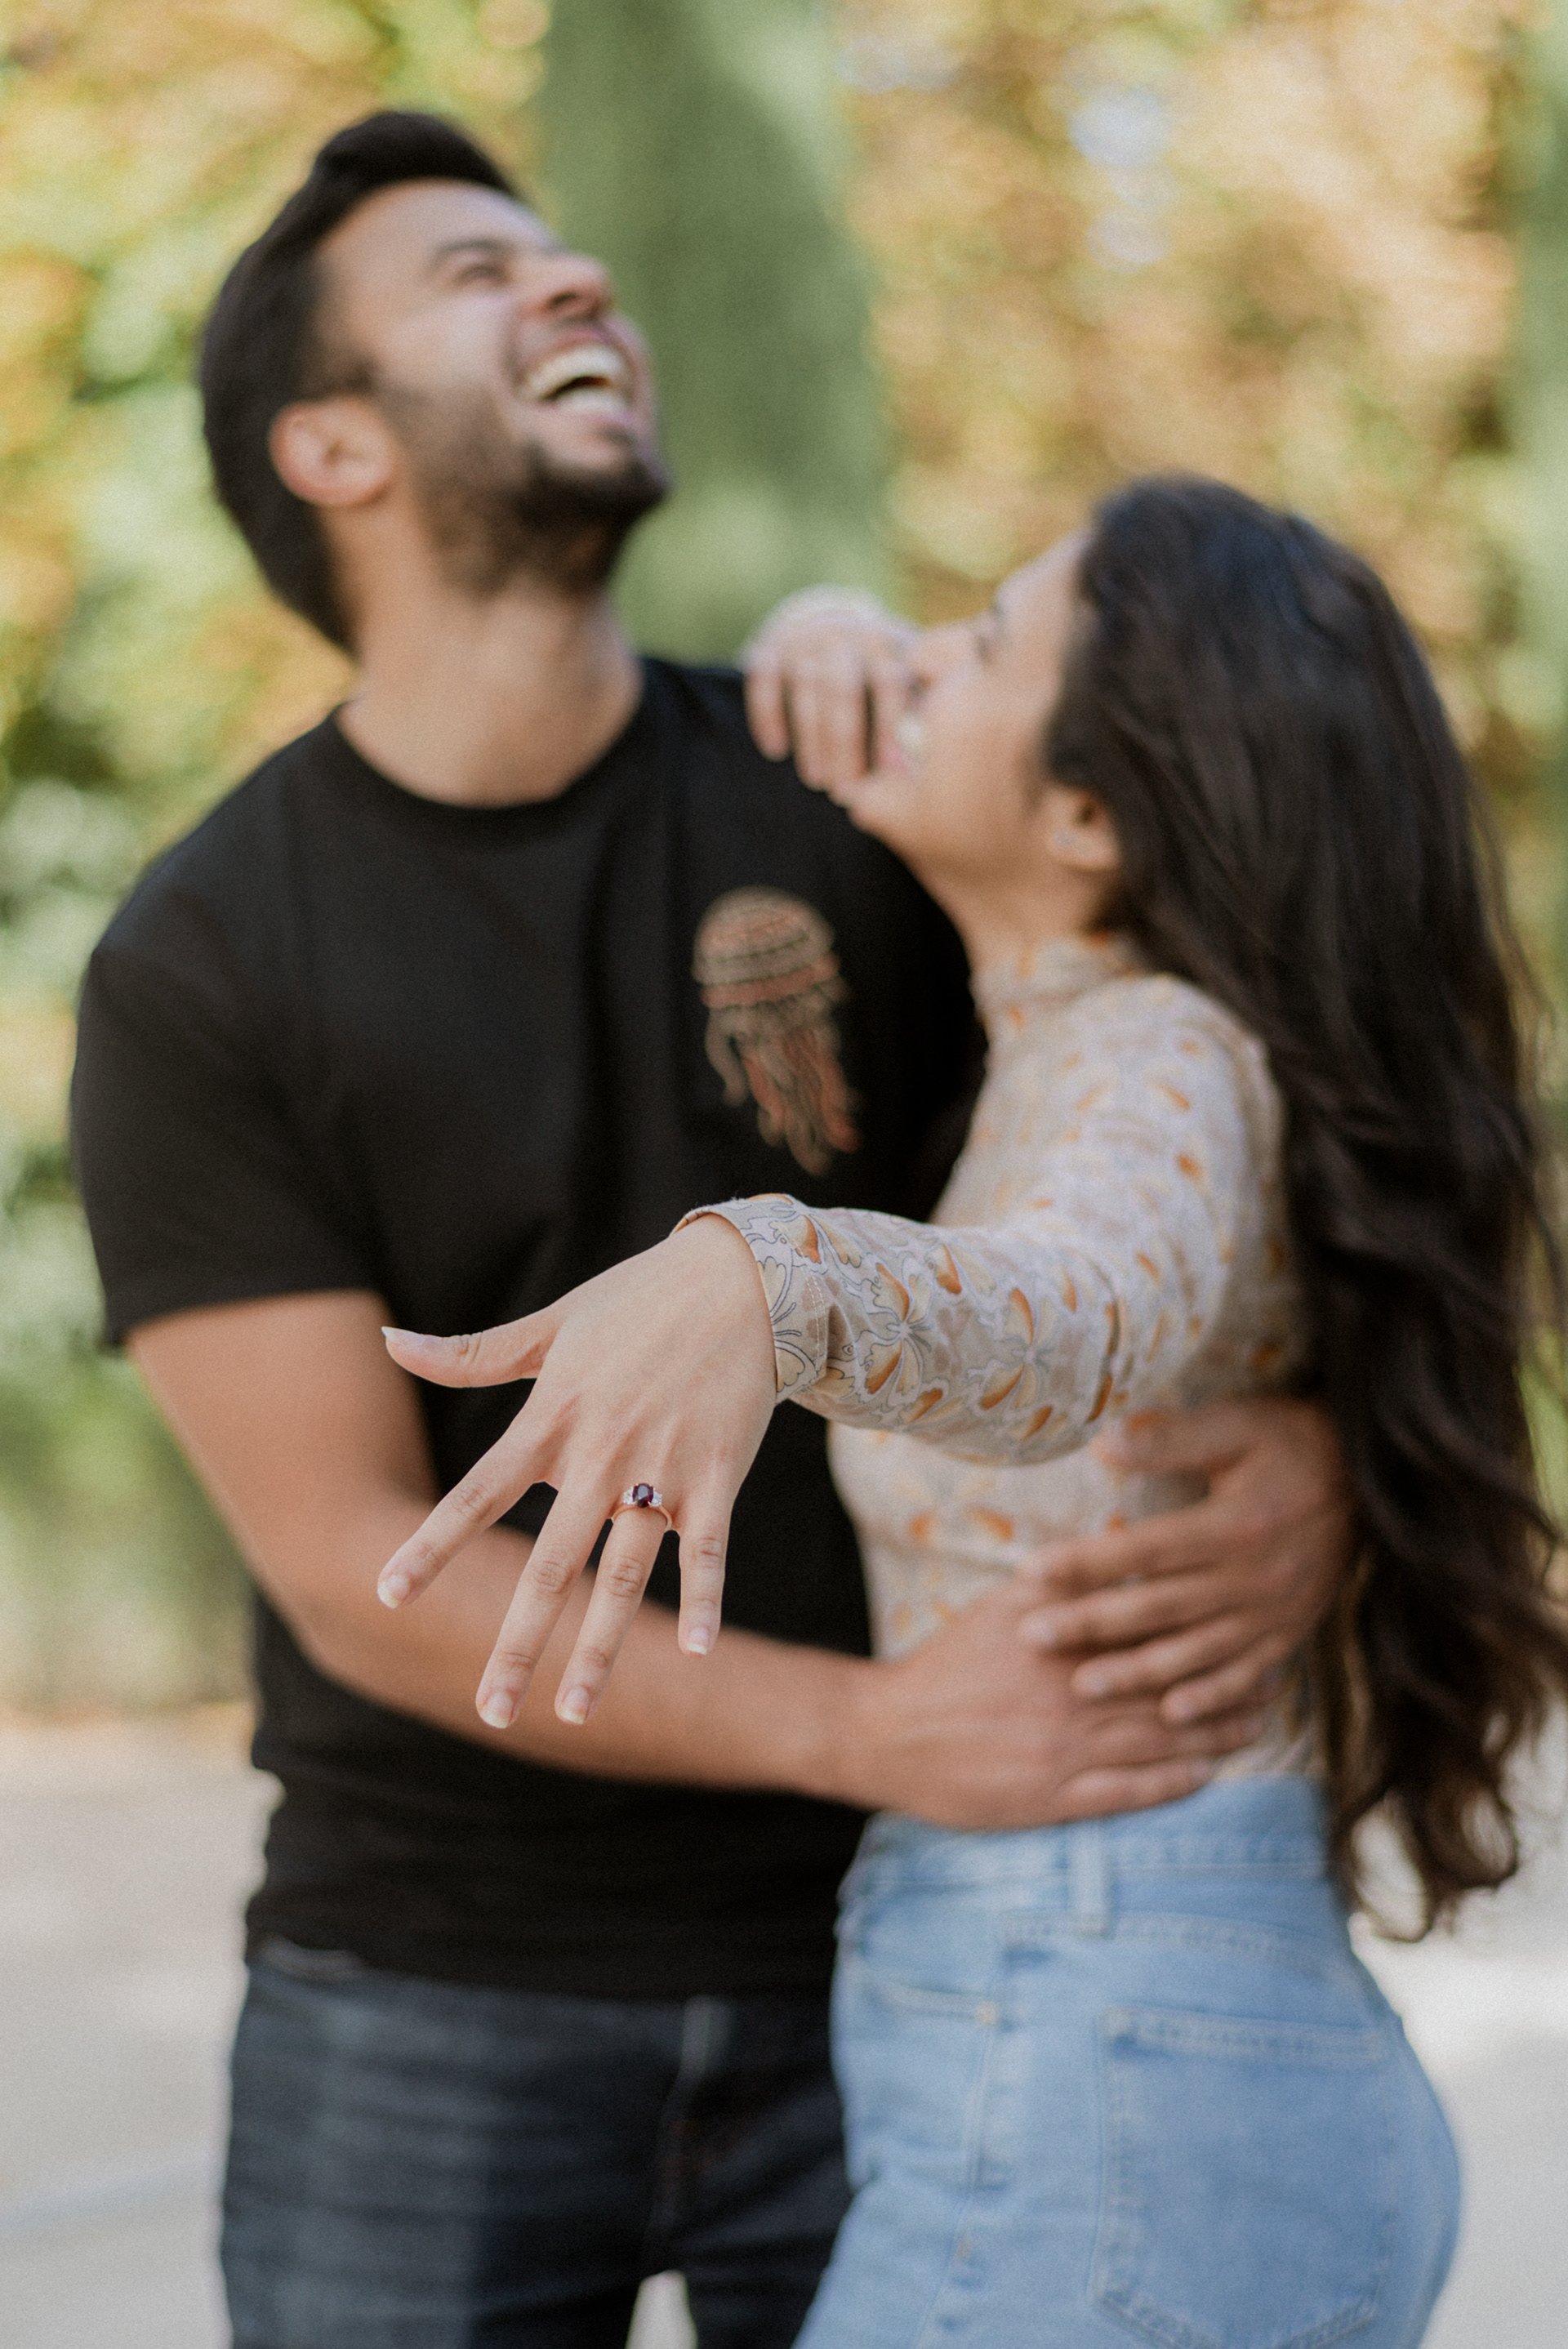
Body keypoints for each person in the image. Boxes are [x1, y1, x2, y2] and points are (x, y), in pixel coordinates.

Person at [69, 112, 1349, 2349]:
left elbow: (1182, 1177)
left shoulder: (854, 799)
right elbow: (359, 1570)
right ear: (332, 446)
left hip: (899, 1958)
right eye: (476, 270)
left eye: (573, 253)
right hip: (425, 1988)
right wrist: (874, 1733)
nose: (572, 283)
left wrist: (1322, 1464)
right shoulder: (202, 962)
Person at [381, 479, 1568, 2348]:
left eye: (988, 641)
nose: (923, 656)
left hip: (1106, 2053)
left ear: (1089, 814)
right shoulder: (1091, 1041)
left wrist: (763, 1277)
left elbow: (1078, 1317)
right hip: (1126, 2047)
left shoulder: (1160, 1055)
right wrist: (827, 629)